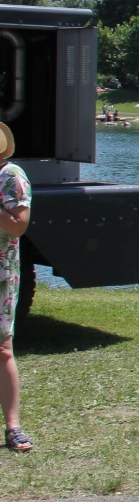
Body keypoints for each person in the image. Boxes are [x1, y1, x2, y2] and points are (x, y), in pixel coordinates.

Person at [0, 123, 34, 452]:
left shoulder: (11, 175)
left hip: (0, 273)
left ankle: (13, 428)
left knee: (2, 348)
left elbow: (18, 225)